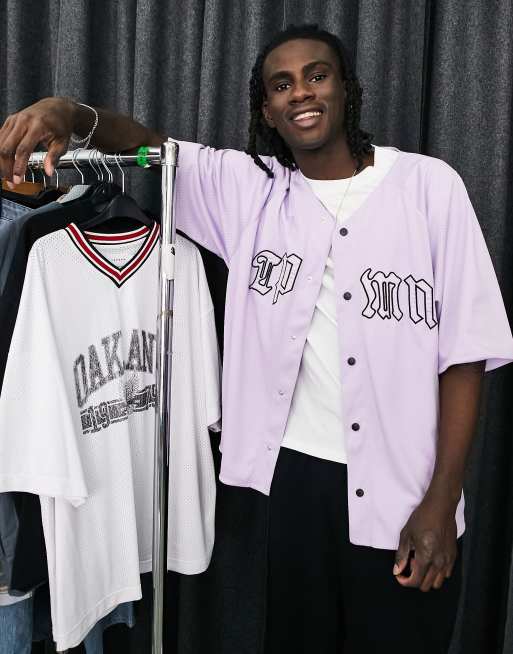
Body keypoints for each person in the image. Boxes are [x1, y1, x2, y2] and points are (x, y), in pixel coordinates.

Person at [1, 22, 513, 654]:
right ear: (266, 109)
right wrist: (67, 113)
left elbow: (464, 357)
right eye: (281, 84)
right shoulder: (251, 192)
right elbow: (149, 146)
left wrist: (442, 503)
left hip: (407, 491)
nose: (301, 93)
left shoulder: (431, 188)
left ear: (347, 89)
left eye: (317, 75)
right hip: (294, 486)